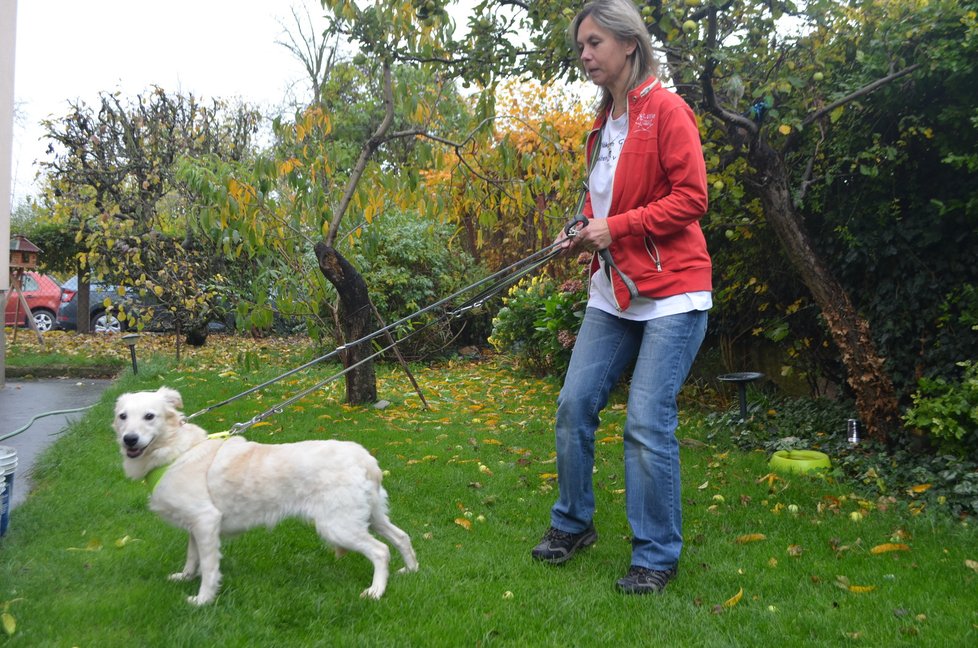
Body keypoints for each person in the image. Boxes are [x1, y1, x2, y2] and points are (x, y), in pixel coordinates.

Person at [530, 0, 711, 595]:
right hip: (615, 292)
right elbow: (599, 205)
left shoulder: (667, 111)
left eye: (593, 43)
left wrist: (618, 227)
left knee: (645, 422)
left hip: (674, 294)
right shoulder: (601, 125)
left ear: (629, 43)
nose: (584, 55)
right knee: (573, 404)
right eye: (580, 45)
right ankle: (573, 524)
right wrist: (578, 229)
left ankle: (656, 555)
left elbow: (691, 199)